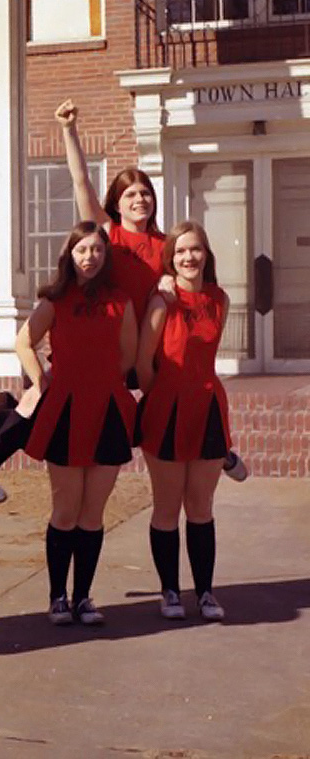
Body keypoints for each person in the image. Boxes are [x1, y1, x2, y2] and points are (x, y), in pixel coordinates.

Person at [0, 97, 245, 503]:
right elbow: (81, 183)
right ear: (117, 202)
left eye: (145, 193)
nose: (139, 200)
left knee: (178, 390)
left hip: (145, 349)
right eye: (130, 194)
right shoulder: (107, 235)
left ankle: (217, 452)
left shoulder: (167, 245)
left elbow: (188, 282)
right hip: (101, 344)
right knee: (39, 396)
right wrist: (69, 130)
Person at [17, 222, 137, 626]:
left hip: (108, 411)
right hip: (65, 411)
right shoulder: (55, 299)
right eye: (83, 250)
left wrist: (99, 380)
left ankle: (83, 597)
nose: (90, 257)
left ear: (106, 257)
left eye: (98, 251)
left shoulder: (121, 302)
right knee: (65, 511)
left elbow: (127, 355)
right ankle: (57, 597)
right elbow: (24, 341)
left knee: (93, 513)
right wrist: (41, 378)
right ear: (70, 255)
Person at [136, 221, 230, 621]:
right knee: (167, 506)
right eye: (181, 252)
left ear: (206, 255)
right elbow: (143, 364)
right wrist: (162, 399)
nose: (189, 258)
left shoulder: (219, 300)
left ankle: (205, 593)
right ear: (170, 259)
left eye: (196, 250)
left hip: (208, 408)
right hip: (167, 410)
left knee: (201, 507)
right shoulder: (161, 303)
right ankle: (170, 592)